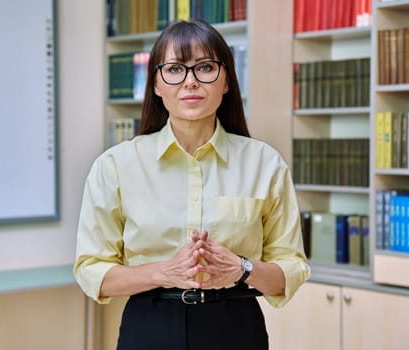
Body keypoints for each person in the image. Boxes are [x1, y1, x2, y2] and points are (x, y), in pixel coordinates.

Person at [74, 19, 310, 350]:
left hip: (236, 327)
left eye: (205, 68)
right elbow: (91, 270)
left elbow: (292, 268)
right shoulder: (115, 166)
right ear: (156, 84)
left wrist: (239, 268)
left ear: (226, 80)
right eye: (174, 69)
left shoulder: (265, 164)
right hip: (149, 325)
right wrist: (164, 272)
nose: (191, 82)